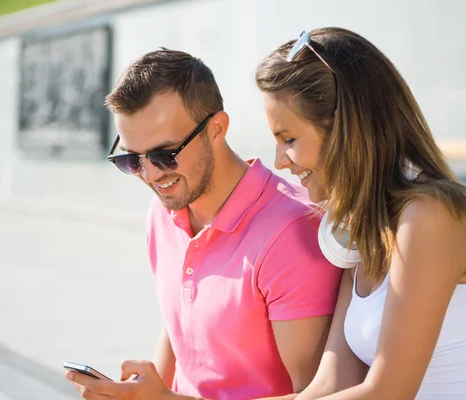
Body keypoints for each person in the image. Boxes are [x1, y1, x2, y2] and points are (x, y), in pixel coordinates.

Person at [65, 48, 342, 400]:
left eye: (165, 155)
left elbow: (316, 396)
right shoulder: (163, 211)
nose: (150, 175)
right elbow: (181, 324)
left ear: (217, 129)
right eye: (131, 159)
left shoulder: (292, 232)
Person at [254, 28, 466, 399]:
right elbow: (331, 386)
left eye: (289, 139)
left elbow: (388, 392)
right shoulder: (362, 230)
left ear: (346, 129)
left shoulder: (429, 216)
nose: (280, 161)